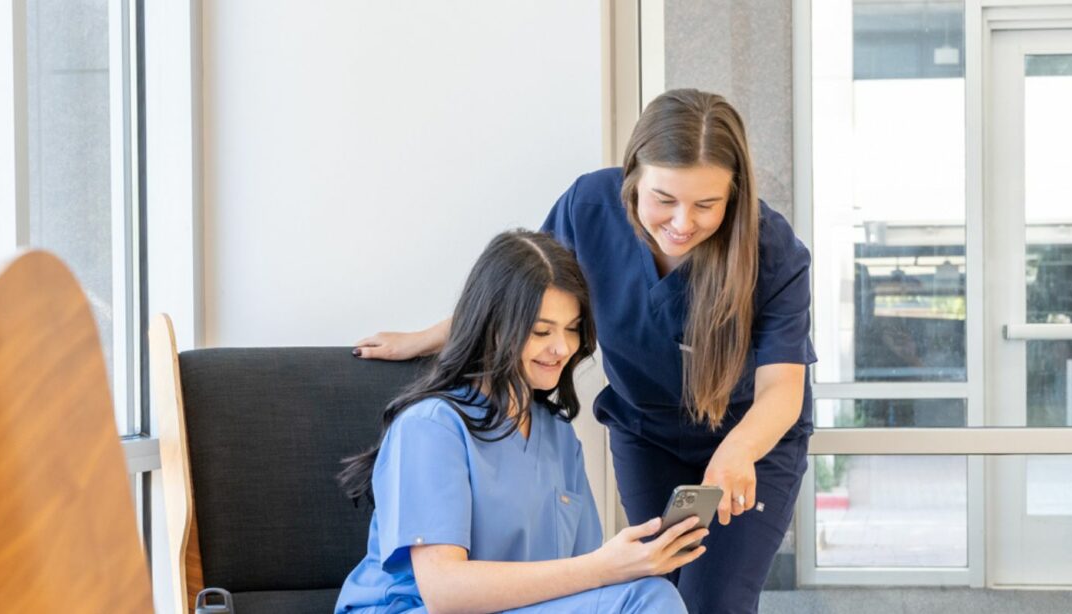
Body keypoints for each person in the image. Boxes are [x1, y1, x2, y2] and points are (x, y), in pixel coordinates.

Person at [355, 89, 815, 613]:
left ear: (734, 196)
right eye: (664, 199)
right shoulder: (591, 206)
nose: (683, 223)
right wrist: (422, 340)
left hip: (749, 435)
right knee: (658, 585)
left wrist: (738, 451)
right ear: (633, 175)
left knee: (712, 601)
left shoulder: (769, 249)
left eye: (706, 204)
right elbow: (518, 292)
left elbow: (782, 389)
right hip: (647, 433)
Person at [335, 230, 704, 613]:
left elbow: (584, 579)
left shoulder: (558, 435)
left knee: (650, 590)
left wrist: (626, 565)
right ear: (493, 327)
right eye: (541, 331)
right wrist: (602, 570)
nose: (562, 348)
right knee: (645, 597)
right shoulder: (431, 428)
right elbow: (445, 593)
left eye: (573, 328)